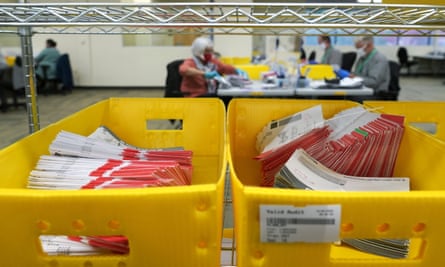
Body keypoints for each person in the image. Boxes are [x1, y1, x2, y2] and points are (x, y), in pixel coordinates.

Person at [179, 36, 246, 98]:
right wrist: (204, 74)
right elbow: (183, 70)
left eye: (211, 51)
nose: (210, 53)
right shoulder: (191, 62)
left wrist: (236, 70)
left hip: (210, 94)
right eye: (207, 51)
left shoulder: (212, 61)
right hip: (195, 96)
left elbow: (224, 68)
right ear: (198, 51)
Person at [349, 36, 390, 101]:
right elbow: (357, 74)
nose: (358, 51)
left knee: (349, 98)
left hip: (376, 93)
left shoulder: (379, 59)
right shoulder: (362, 58)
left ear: (369, 45)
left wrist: (356, 78)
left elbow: (374, 82)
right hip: (362, 89)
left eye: (359, 48)